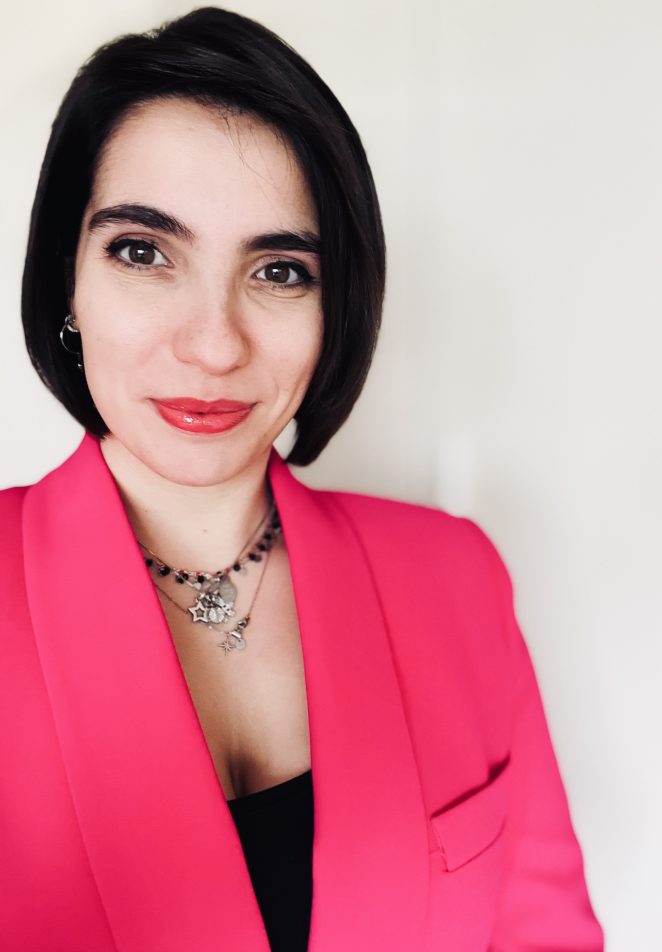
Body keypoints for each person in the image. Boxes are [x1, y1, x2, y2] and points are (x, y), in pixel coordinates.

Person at [0, 7, 604, 951]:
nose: (214, 345)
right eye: (144, 252)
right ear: (66, 281)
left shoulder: (454, 575)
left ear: (337, 308)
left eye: (280, 271)